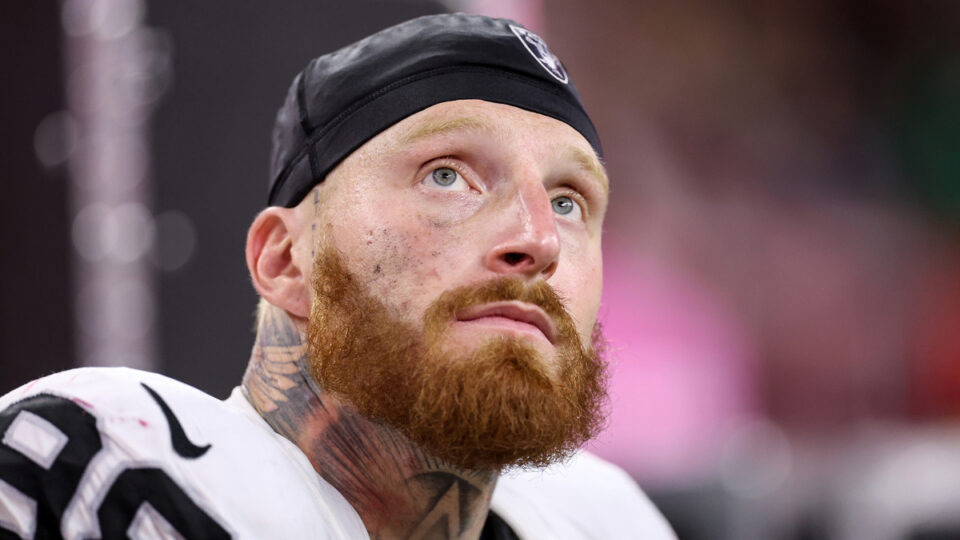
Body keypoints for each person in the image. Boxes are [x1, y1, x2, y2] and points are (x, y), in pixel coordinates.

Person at [0, 13, 675, 539]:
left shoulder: (607, 519)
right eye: (448, 176)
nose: (538, 238)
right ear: (286, 260)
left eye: (569, 201)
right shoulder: (108, 463)